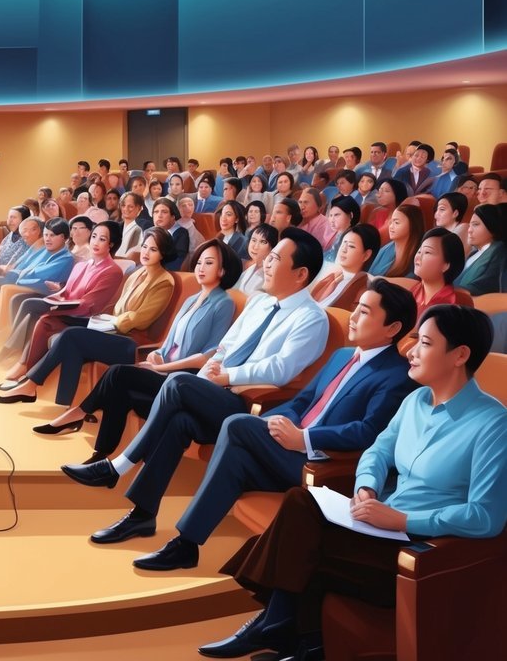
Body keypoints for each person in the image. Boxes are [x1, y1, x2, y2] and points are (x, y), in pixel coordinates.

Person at [202, 305, 505, 660]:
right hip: (379, 527)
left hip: (419, 549)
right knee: (303, 506)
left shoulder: (493, 424)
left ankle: (276, 628)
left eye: (424, 342)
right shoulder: (414, 401)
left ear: (460, 355)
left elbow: (486, 517)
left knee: (298, 543)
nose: (410, 351)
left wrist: (403, 521)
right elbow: (377, 453)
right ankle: (295, 639)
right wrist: (366, 488)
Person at [62, 228, 329, 545]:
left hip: (243, 407)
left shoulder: (312, 318)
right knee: (179, 421)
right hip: (215, 391)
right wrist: (213, 369)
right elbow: (226, 346)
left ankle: (119, 466)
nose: (266, 264)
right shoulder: (259, 302)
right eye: (268, 257)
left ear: (300, 274)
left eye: (274, 258)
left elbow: (281, 369)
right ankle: (142, 516)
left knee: (176, 384)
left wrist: (226, 377)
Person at [138, 279, 417, 576]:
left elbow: (368, 431)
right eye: (355, 309)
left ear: (392, 328)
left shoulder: (397, 375)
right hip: (290, 448)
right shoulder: (342, 356)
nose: (354, 317)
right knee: (230, 449)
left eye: (364, 312)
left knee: (235, 424)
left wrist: (303, 438)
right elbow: (302, 401)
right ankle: (186, 544)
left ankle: (170, 526)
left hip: (323, 463)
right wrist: (270, 424)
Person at [0, 229, 190, 410]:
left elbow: (142, 319)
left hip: (131, 340)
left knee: (71, 335)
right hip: (113, 328)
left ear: (163, 253)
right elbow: (118, 308)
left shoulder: (164, 281)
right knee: (60, 329)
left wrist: (111, 322)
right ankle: (65, 404)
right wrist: (106, 320)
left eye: (153, 249)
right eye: (145, 246)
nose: (146, 252)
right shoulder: (137, 273)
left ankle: (31, 385)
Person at [0, 220, 126, 363]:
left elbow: (90, 304)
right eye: (94, 236)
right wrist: (57, 297)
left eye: (102, 239)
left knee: (37, 311)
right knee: (30, 305)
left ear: (111, 244)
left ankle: (20, 358)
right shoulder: (83, 264)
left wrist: (57, 305)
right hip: (67, 304)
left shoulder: (112, 270)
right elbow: (66, 290)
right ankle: (19, 355)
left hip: (82, 315)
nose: (95, 242)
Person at [309, 223, 378, 310]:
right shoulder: (332, 275)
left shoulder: (365, 286)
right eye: (343, 243)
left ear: (366, 255)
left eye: (351, 246)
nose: (343, 249)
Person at [411, 227, 465, 317]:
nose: (418, 257)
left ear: (446, 265)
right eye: (419, 251)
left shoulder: (448, 307)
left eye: (427, 252)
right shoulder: (414, 291)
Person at [454, 202, 505, 295]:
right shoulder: (474, 253)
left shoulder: (499, 251)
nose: (469, 230)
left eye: (476, 224)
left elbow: (482, 286)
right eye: (470, 225)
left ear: (491, 227)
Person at [369, 202, 424, 278]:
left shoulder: (419, 256)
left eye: (396, 222)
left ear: (412, 226)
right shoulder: (385, 249)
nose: (391, 226)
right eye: (391, 222)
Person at [233, 224, 278, 294]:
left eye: (263, 242)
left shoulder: (270, 274)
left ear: (273, 247)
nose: (255, 246)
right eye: (253, 240)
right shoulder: (251, 268)